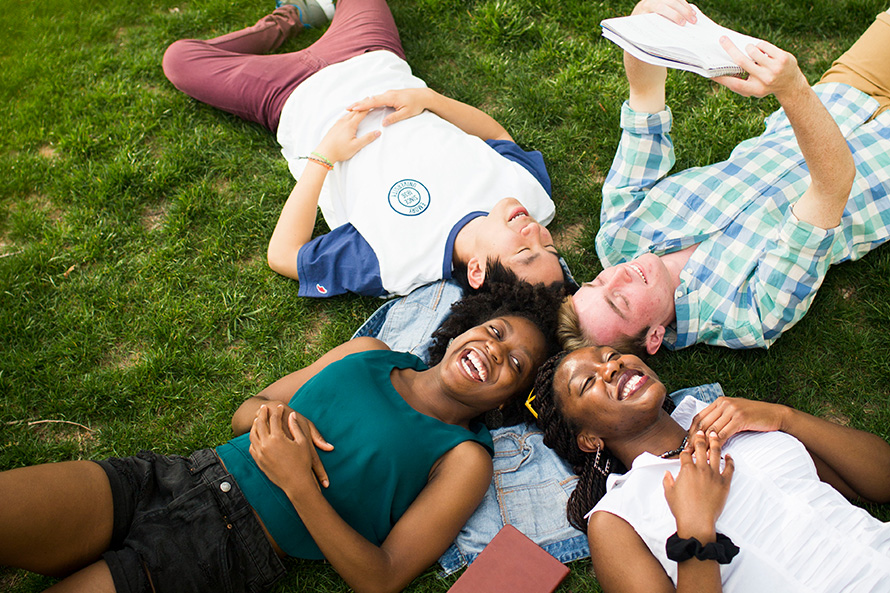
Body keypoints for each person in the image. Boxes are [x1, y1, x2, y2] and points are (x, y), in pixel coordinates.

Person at [0, 282, 564, 593]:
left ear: (507, 401)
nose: (494, 349)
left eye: (515, 362)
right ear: (468, 322)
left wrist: (299, 484)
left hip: (221, 549)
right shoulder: (369, 354)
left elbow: (384, 576)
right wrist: (279, 425)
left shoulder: (463, 457)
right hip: (171, 475)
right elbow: (249, 411)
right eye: (495, 330)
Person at [162, 0, 565, 299]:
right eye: (548, 245)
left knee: (179, 59)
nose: (535, 232)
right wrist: (428, 100)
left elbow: (284, 255)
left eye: (525, 252)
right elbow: (499, 138)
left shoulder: (396, 262)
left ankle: (288, 19)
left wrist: (324, 155)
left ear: (476, 271)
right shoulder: (532, 199)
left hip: (289, 97)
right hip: (370, 54)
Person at [560, 0, 890, 355]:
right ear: (654, 336)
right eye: (620, 301)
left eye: (597, 282)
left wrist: (641, 27)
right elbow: (833, 185)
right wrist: (792, 88)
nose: (618, 275)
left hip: (840, 94)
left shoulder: (619, 233)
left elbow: (644, 105)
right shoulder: (746, 315)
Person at [527, 345, 890, 592]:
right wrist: (697, 528)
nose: (613, 365)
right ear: (590, 439)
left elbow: (880, 480)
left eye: (611, 354)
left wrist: (783, 417)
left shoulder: (731, 418)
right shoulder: (616, 519)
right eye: (589, 381)